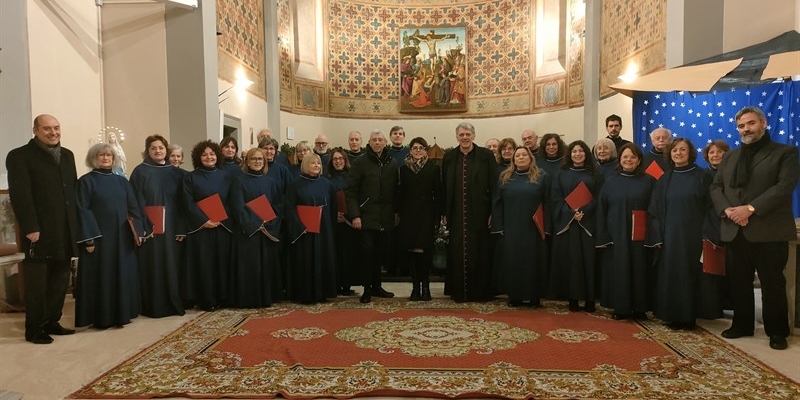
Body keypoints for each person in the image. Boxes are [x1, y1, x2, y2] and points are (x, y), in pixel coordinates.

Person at [710, 106, 799, 351]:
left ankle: (777, 331)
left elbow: (784, 186)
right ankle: (742, 324)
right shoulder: (730, 157)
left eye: (750, 124)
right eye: (741, 126)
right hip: (734, 229)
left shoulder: (785, 152)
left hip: (768, 229)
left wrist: (749, 209)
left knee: (772, 284)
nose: (745, 129)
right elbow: (716, 187)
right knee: (738, 282)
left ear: (763, 123)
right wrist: (728, 211)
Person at [6, 114, 79, 344]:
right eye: (47, 128)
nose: (53, 132)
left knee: (59, 278)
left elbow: (72, 192)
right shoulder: (20, 156)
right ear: (35, 130)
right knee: (38, 281)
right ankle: (34, 328)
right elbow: (20, 195)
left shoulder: (67, 155)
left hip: (65, 227)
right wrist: (30, 226)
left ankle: (52, 321)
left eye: (56, 128)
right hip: (38, 229)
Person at [74, 143, 145, 329]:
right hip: (99, 239)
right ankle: (102, 317)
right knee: (102, 276)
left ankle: (123, 313)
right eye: (101, 155)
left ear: (114, 159)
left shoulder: (122, 181)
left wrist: (137, 231)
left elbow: (133, 207)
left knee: (123, 274)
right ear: (93, 158)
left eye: (109, 156)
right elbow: (83, 210)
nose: (105, 158)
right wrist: (89, 237)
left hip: (123, 238)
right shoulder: (86, 181)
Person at [647, 138, 716, 330]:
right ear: (669, 154)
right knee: (670, 274)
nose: (678, 153)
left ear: (690, 153)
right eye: (675, 150)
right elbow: (655, 210)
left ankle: (689, 317)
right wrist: (657, 236)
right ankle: (671, 314)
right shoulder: (664, 179)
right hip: (669, 235)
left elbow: (711, 207)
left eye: (683, 150)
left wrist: (707, 234)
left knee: (689, 275)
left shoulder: (702, 176)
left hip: (693, 235)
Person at [595, 144, 655, 320]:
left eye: (632, 157)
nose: (628, 160)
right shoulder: (610, 181)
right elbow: (602, 209)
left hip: (639, 235)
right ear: (620, 160)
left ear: (639, 161)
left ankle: (640, 308)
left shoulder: (649, 181)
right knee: (618, 270)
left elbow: (654, 209)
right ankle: (620, 308)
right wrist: (603, 235)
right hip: (616, 234)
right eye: (625, 157)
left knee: (639, 270)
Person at [129, 135, 187, 318]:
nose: (157, 151)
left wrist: (181, 228)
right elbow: (134, 202)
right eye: (153, 148)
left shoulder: (177, 173)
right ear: (148, 151)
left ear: (166, 150)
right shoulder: (140, 171)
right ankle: (152, 306)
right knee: (152, 265)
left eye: (161, 148)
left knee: (172, 265)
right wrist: (142, 227)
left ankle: (173, 303)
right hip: (150, 228)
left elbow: (183, 204)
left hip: (172, 228)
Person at [442, 122, 498, 302]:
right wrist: (445, 211)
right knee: (457, 251)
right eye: (461, 135)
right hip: (457, 213)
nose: (464, 138)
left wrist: (493, 212)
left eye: (467, 134)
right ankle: (458, 291)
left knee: (480, 252)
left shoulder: (486, 156)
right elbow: (445, 186)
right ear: (456, 137)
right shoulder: (449, 157)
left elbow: (495, 185)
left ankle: (479, 292)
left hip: (480, 212)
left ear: (473, 136)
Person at [491, 146, 550, 307]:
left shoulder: (541, 176)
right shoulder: (505, 177)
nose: (521, 157)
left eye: (524, 155)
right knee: (513, 261)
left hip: (534, 228)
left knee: (533, 262)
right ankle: (515, 296)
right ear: (513, 159)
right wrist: (499, 226)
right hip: (511, 226)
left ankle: (534, 296)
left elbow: (548, 202)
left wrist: (546, 226)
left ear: (530, 158)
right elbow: (497, 203)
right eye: (518, 155)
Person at [346, 130, 399, 303]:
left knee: (379, 255)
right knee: (367, 255)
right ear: (369, 143)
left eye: (380, 140)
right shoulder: (361, 162)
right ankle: (367, 289)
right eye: (374, 140)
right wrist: (355, 215)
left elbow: (397, 190)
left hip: (385, 217)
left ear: (385, 143)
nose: (377, 143)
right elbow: (351, 192)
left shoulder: (392, 162)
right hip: (366, 217)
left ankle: (377, 286)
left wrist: (396, 213)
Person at [549, 140, 602, 312]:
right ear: (569, 154)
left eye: (581, 151)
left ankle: (589, 300)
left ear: (586, 153)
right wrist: (571, 213)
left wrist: (584, 211)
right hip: (569, 224)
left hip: (588, 223)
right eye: (574, 151)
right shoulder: (562, 173)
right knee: (571, 262)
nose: (577, 154)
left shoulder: (595, 173)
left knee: (589, 261)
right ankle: (572, 299)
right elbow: (556, 198)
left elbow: (599, 197)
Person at [228, 148, 283, 308]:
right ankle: (248, 299)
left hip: (266, 231)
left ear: (265, 162)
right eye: (254, 159)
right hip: (248, 232)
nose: (257, 162)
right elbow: (238, 206)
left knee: (265, 265)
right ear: (247, 161)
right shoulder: (239, 181)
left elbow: (278, 205)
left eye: (260, 159)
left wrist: (268, 222)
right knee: (249, 266)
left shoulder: (271, 182)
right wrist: (255, 223)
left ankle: (267, 297)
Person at [182, 140, 233, 311]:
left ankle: (224, 297)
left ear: (217, 156)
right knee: (204, 264)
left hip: (222, 225)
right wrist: (204, 221)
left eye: (212, 154)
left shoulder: (227, 176)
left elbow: (232, 200)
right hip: (201, 228)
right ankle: (207, 300)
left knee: (222, 262)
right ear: (198, 157)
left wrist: (220, 219)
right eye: (204, 154)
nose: (208, 157)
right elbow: (187, 202)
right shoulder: (190, 177)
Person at [285, 153, 337, 304]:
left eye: (319, 163)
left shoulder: (327, 184)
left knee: (323, 258)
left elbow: (333, 207)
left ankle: (323, 292)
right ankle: (305, 293)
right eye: (313, 163)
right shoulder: (295, 184)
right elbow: (289, 208)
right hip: (304, 231)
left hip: (324, 230)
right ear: (305, 165)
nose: (316, 166)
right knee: (306, 260)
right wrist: (300, 227)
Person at [398, 137, 442, 301]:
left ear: (426, 150)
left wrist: (438, 217)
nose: (417, 150)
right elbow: (400, 194)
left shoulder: (433, 168)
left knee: (424, 252)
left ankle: (426, 287)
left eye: (421, 148)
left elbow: (438, 194)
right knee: (412, 252)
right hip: (408, 215)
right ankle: (415, 287)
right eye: (414, 148)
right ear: (410, 150)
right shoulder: (404, 169)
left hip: (427, 214)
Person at [327, 148, 359, 296]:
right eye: (335, 159)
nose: (338, 161)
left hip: (348, 221)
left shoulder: (351, 177)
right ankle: (334, 284)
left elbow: (355, 196)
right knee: (334, 253)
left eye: (341, 159)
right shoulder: (326, 178)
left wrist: (348, 215)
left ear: (345, 161)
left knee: (348, 254)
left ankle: (347, 285)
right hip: (331, 221)